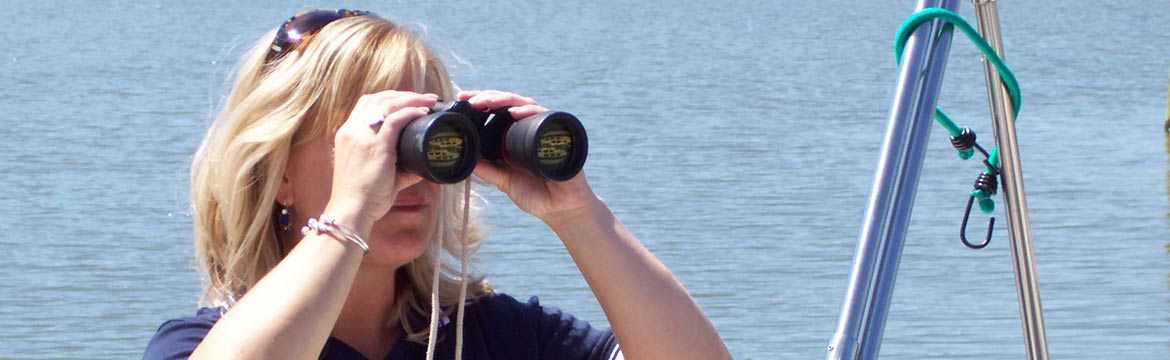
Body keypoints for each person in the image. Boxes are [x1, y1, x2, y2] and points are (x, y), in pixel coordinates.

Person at [143, 8, 730, 360]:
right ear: (279, 176)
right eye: (375, 135)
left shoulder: (485, 335)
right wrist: (350, 213)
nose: (412, 168)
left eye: (424, 134)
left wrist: (580, 214)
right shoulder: (203, 340)